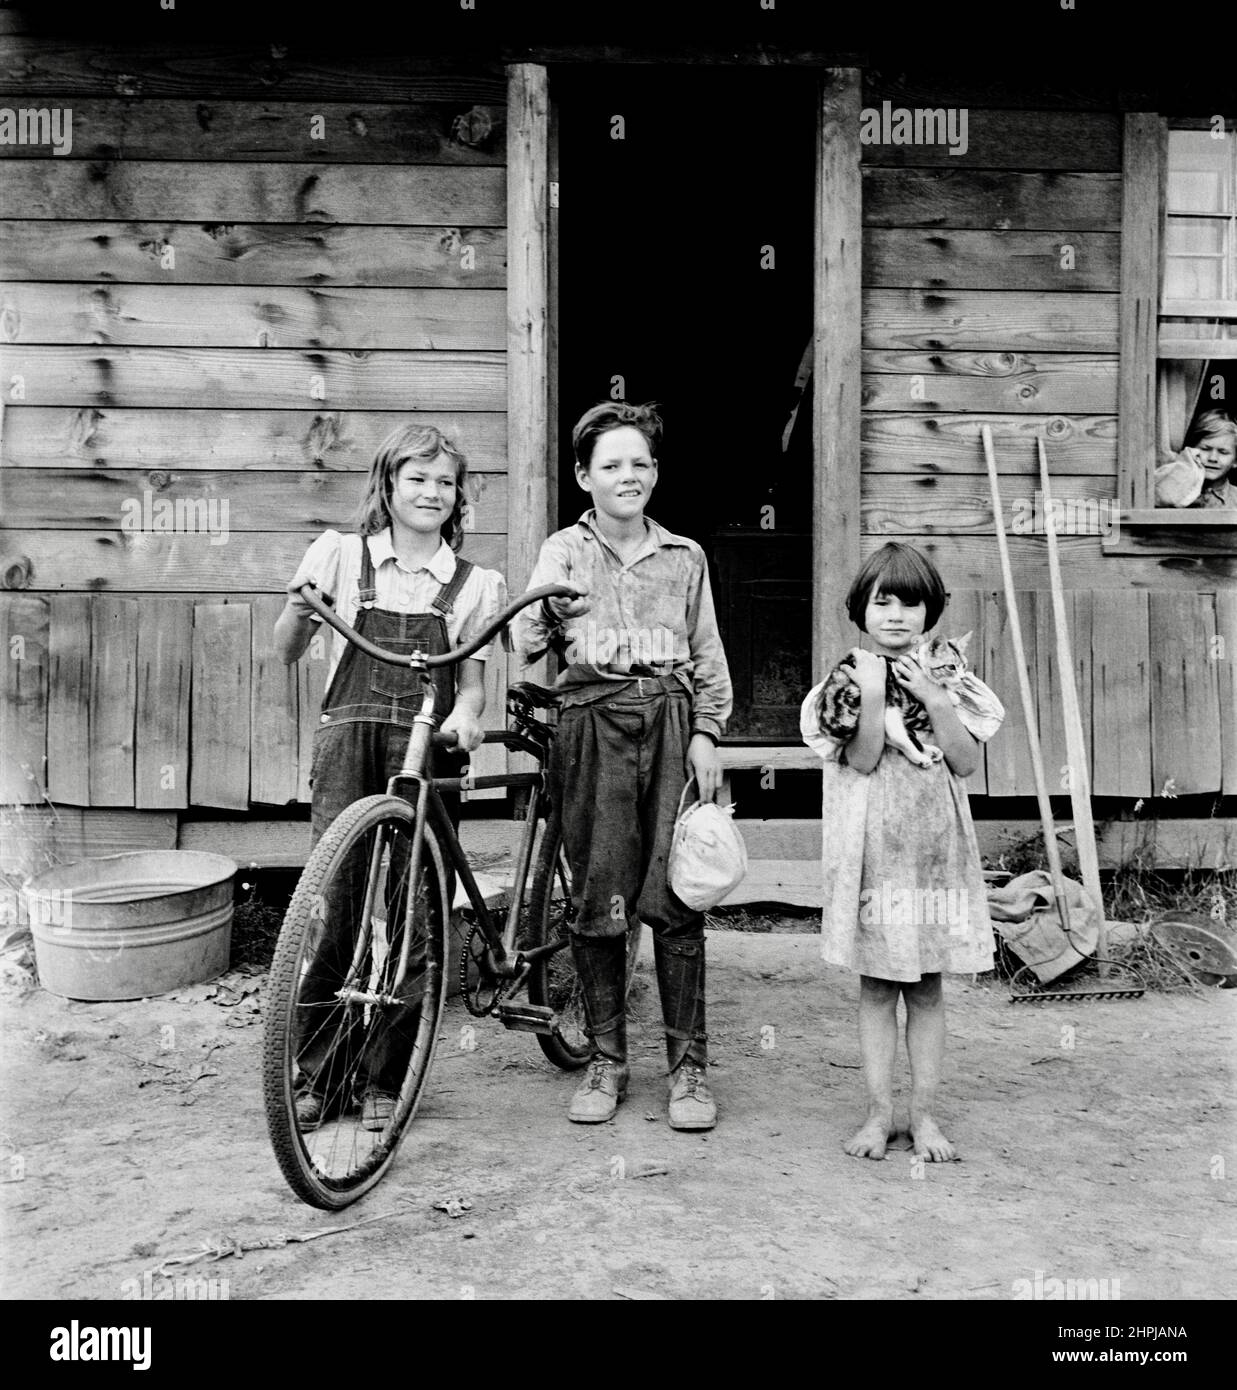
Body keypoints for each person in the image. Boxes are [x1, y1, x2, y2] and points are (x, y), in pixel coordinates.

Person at [273, 423, 506, 1130]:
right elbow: (285, 649)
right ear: (388, 485)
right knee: (335, 903)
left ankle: (386, 1078)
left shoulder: (475, 584)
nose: (431, 493)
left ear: (458, 495)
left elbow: (470, 687)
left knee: (415, 910)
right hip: (348, 742)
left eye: (445, 482)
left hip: (424, 751)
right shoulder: (341, 557)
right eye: (417, 478)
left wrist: (465, 718)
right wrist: (296, 605)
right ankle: (319, 1073)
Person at [516, 400, 733, 1130]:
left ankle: (689, 1071)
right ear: (584, 476)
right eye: (610, 464)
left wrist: (706, 732)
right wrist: (549, 612)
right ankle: (606, 1059)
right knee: (600, 899)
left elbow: (706, 654)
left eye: (640, 462)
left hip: (670, 724)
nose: (627, 475)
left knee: (675, 895)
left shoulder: (685, 556)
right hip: (591, 727)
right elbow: (523, 639)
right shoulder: (562, 551)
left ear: (656, 472)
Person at [800, 543, 1003, 1162]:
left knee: (928, 988)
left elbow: (966, 761)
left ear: (930, 612)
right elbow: (862, 758)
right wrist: (869, 695)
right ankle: (878, 1112)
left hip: (933, 852)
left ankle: (925, 1115)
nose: (896, 615)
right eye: (881, 602)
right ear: (860, 611)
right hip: (871, 851)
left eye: (910, 603)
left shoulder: (949, 678)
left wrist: (936, 699)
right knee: (876, 986)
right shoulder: (844, 677)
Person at [1154, 409, 1237, 508]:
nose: (1213, 458)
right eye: (1205, 449)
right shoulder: (1167, 493)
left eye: (1223, 452)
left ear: (1235, 460)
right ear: (1190, 450)